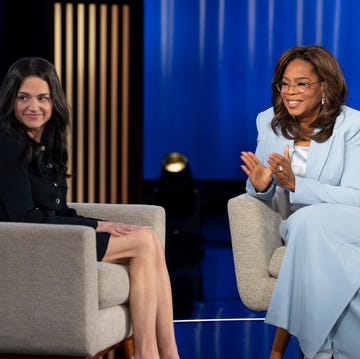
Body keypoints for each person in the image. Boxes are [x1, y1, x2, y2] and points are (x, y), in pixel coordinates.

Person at [0, 57, 180, 359]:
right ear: (11, 100)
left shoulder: (46, 143)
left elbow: (59, 209)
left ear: (53, 101)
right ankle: (150, 354)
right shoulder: (8, 144)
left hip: (56, 238)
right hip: (29, 247)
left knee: (148, 237)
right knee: (145, 241)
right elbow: (24, 217)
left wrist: (97, 224)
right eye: (24, 97)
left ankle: (166, 352)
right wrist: (90, 227)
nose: (34, 106)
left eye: (42, 98)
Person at [241, 45, 360, 359]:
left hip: (349, 221)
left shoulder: (352, 125)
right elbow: (263, 184)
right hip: (301, 225)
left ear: (324, 86)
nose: (290, 92)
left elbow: (356, 197)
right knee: (306, 223)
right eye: (285, 83)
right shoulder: (269, 122)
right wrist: (262, 186)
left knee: (309, 222)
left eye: (301, 83)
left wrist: (298, 185)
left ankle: (303, 351)